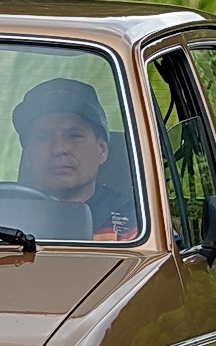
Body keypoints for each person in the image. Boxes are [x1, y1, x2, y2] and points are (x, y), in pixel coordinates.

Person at [11, 77, 139, 241]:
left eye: (73, 136)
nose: (58, 149)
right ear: (27, 153)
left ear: (101, 149)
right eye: (43, 137)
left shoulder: (138, 223)